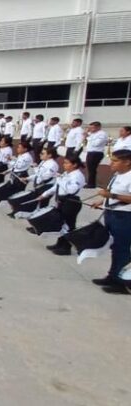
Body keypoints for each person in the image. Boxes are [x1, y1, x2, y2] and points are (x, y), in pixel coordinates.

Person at [90, 149, 131, 290]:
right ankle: (112, 276)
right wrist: (101, 202)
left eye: (115, 161)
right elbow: (112, 193)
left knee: (122, 249)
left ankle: (121, 282)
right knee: (114, 247)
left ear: (127, 162)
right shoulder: (118, 175)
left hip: (124, 217)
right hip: (112, 213)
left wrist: (111, 196)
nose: (111, 163)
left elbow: (121, 196)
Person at [38, 156, 86, 255]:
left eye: (67, 163)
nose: (64, 165)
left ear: (74, 165)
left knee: (68, 225)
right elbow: (56, 186)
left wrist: (60, 180)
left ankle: (66, 247)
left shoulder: (77, 176)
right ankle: (59, 243)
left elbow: (72, 190)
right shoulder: (66, 174)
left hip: (71, 202)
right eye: (64, 163)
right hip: (62, 201)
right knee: (61, 223)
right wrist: (44, 194)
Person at [84, 121, 109, 189]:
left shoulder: (102, 134)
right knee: (90, 168)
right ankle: (90, 182)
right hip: (90, 152)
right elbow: (85, 137)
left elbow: (96, 144)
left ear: (98, 127)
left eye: (92, 128)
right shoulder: (92, 133)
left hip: (96, 153)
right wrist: (87, 133)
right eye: (90, 128)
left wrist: (88, 137)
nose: (91, 129)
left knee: (92, 169)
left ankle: (91, 184)